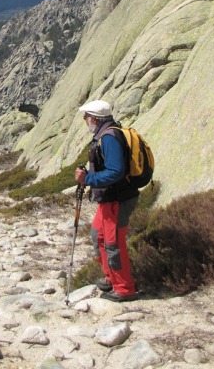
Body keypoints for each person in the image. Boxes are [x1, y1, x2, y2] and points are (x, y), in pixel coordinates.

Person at [74, 99, 138, 302]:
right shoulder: (104, 135)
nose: (85, 121)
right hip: (108, 199)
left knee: (113, 243)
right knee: (97, 236)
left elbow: (116, 171)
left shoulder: (109, 137)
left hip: (117, 199)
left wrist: (88, 179)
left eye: (87, 117)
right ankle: (110, 277)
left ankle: (124, 288)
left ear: (95, 118)